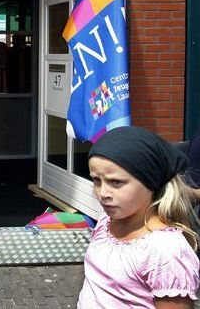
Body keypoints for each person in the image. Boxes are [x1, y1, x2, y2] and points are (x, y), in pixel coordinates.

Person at [78, 126, 200, 309]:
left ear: (150, 181)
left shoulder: (165, 250)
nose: (103, 193)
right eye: (96, 180)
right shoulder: (107, 221)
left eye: (116, 182)